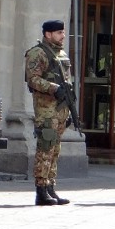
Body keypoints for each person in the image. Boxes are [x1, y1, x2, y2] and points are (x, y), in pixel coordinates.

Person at [24, 19, 73, 206]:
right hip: (46, 110)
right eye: (59, 32)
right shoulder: (38, 53)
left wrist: (67, 110)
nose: (63, 36)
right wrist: (53, 88)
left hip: (60, 109)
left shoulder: (61, 54)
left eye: (63, 32)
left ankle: (51, 187)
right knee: (45, 149)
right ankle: (41, 190)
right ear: (48, 34)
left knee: (55, 150)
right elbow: (33, 80)